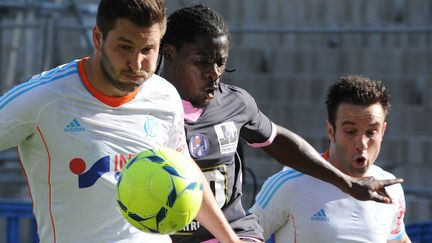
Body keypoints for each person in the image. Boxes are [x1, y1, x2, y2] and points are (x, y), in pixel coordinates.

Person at [0, 0, 251, 242]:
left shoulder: (164, 96)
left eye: (147, 50)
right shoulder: (42, 98)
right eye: (125, 47)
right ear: (98, 38)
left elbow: (187, 175)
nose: (136, 62)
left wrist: (230, 240)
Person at [159, 4, 403, 243]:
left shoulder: (235, 103)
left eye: (220, 62)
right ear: (169, 52)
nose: (214, 73)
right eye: (201, 61)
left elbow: (279, 142)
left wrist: (347, 184)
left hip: (234, 234)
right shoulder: (146, 108)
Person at [250, 75, 412, 243]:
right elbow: (241, 237)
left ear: (383, 131)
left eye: (371, 132)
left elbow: (399, 239)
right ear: (330, 130)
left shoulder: (390, 188)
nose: (361, 143)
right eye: (350, 131)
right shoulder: (288, 184)